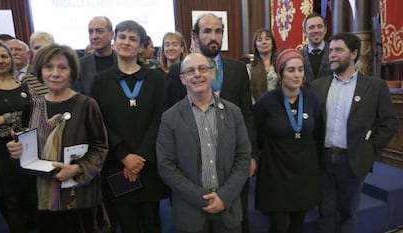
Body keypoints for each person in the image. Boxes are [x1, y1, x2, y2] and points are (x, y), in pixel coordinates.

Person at [165, 13, 257, 233]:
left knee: (236, 220)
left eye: (218, 31)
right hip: (192, 169)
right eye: (207, 31)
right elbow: (169, 115)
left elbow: (247, 113)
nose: (213, 36)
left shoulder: (237, 69)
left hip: (230, 163)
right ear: (195, 36)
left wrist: (253, 155)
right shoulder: (180, 71)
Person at [6, 43, 109, 233]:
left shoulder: (86, 104)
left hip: (79, 195)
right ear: (40, 71)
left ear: (71, 72)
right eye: (48, 67)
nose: (55, 73)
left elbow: (100, 147)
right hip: (43, 195)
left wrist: (78, 168)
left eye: (62, 67)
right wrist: (17, 150)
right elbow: (26, 147)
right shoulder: (32, 106)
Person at [310, 32, 398, 233]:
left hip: (352, 161)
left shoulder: (375, 86)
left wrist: (370, 149)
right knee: (326, 212)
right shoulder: (318, 86)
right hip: (323, 160)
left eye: (338, 50)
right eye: (331, 50)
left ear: (354, 53)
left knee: (349, 214)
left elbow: (389, 123)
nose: (332, 54)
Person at [90, 20, 169, 233]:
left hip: (148, 164)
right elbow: (99, 122)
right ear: (114, 41)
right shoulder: (100, 81)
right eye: (122, 37)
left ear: (141, 47)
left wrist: (139, 158)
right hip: (118, 166)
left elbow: (161, 118)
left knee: (152, 222)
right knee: (127, 223)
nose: (126, 42)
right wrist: (124, 156)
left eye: (133, 39)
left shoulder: (156, 79)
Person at [254, 48, 323, 233]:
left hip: (304, 173)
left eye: (300, 69)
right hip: (275, 172)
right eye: (291, 70)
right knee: (278, 226)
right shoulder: (266, 102)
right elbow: (257, 135)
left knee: (298, 225)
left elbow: (318, 135)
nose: (297, 75)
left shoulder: (312, 100)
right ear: (280, 73)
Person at [0, 41, 33, 233]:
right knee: (9, 204)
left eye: (4, 56)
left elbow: (32, 115)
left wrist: (3, 118)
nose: (0, 61)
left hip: (25, 149)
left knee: (27, 203)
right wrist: (10, 120)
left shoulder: (24, 86)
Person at [76, 16, 116, 96]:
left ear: (112, 35)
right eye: (91, 32)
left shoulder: (124, 61)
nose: (94, 36)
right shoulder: (80, 66)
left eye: (99, 31)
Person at [300, 13, 331, 86]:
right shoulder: (299, 55)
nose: (316, 30)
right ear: (304, 32)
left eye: (319, 26)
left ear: (325, 29)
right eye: (311, 27)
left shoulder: (333, 52)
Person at [249, 28, 278, 102]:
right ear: (255, 45)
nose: (264, 42)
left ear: (272, 42)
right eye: (259, 40)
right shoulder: (249, 67)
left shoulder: (279, 64)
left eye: (267, 39)